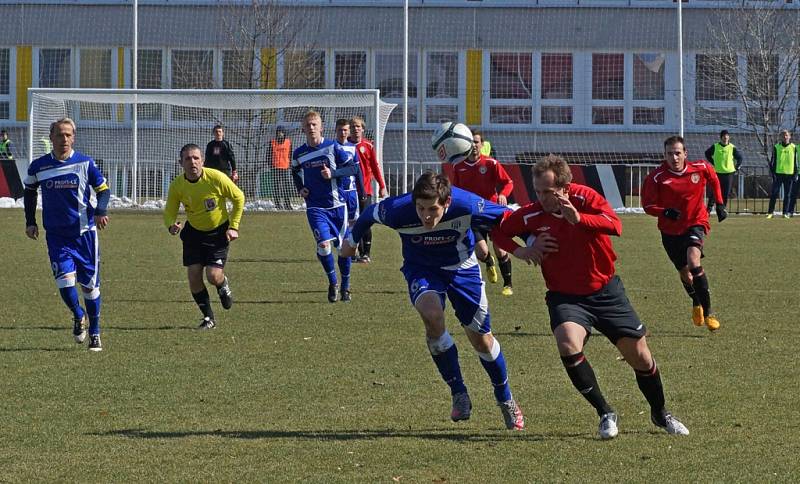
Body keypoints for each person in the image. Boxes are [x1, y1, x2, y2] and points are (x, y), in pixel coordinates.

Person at [493, 154, 688, 439]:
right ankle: (605, 412)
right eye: (538, 191)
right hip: (565, 297)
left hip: (606, 292)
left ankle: (661, 414)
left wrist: (579, 219)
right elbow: (498, 231)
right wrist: (522, 250)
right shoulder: (532, 214)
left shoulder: (586, 198)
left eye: (548, 192)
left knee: (642, 359)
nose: (542, 198)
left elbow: (615, 226)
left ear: (565, 188)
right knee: (567, 343)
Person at [341, 172, 525, 431]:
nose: (426, 216)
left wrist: (531, 243)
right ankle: (458, 391)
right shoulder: (397, 210)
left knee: (482, 341)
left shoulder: (467, 204)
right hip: (422, 270)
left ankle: (505, 398)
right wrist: (351, 241)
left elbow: (506, 217)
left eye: (433, 209)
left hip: (462, 268)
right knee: (432, 316)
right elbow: (370, 213)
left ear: (447, 203)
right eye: (421, 208)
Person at [23, 117, 111, 352]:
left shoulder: (85, 163)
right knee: (64, 282)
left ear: (74, 137)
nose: (64, 139)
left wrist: (101, 211)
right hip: (57, 236)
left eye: (68, 135)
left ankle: (95, 331)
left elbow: (103, 190)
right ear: (51, 138)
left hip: (84, 235)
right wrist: (30, 222)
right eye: (60, 135)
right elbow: (30, 192)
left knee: (90, 288)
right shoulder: (39, 166)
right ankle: (77, 313)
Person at [642, 136, 726, 332]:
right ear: (665, 155)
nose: (674, 157)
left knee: (694, 261)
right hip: (670, 230)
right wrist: (664, 211)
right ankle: (696, 301)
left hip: (695, 222)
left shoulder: (700, 167)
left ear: (685, 154)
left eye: (678, 153)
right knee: (684, 273)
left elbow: (714, 178)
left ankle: (709, 312)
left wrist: (720, 203)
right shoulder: (656, 177)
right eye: (670, 154)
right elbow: (647, 205)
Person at [164, 143, 245, 330]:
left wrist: (234, 226)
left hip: (218, 232)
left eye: (196, 158)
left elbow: (239, 197)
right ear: (181, 163)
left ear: (203, 161)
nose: (192, 162)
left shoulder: (216, 178)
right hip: (193, 234)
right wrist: (170, 224)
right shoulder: (177, 186)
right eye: (187, 159)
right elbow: (169, 211)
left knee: (213, 276)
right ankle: (208, 318)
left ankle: (223, 284)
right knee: (193, 277)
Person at [291, 110, 361, 303]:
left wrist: (334, 174)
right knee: (323, 244)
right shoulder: (299, 153)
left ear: (321, 127)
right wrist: (301, 187)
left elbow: (354, 169)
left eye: (315, 124)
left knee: (344, 250)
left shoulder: (333, 146)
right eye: (308, 125)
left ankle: (346, 286)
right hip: (315, 207)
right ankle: (333, 283)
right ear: (303, 128)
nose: (311, 128)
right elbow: (295, 171)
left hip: (338, 205)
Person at [451, 128, 515, 296]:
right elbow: (455, 191)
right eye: (470, 142)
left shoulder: (491, 164)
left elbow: (508, 182)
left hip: (492, 213)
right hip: (474, 215)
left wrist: (503, 194)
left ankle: (508, 285)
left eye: (476, 142)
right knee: (482, 252)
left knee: (501, 249)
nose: (473, 145)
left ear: (482, 144)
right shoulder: (459, 167)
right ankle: (488, 262)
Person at [348, 115, 388, 263]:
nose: (355, 129)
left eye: (358, 126)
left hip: (366, 190)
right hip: (349, 191)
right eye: (353, 127)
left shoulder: (368, 146)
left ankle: (366, 253)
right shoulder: (345, 146)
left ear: (363, 129)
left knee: (365, 221)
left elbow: (375, 167)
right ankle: (353, 251)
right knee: (351, 222)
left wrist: (382, 186)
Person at [334, 118, 365, 228]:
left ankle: (353, 245)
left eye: (345, 130)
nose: (343, 133)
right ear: (336, 131)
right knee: (341, 223)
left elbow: (357, 170)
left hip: (352, 191)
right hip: (338, 190)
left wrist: (362, 190)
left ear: (348, 131)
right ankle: (342, 244)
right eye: (340, 130)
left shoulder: (352, 147)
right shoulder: (331, 147)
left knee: (354, 222)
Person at [704, 130, 742, 212]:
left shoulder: (732, 147)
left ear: (729, 138)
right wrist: (713, 162)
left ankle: (722, 209)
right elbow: (707, 153)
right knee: (714, 191)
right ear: (721, 137)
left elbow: (740, 158)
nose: (725, 138)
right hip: (717, 172)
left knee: (725, 192)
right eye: (724, 137)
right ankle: (709, 208)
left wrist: (736, 167)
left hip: (729, 173)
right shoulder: (715, 146)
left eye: (727, 137)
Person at [766, 129, 798, 218]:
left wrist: (795, 173)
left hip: (790, 174)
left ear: (789, 136)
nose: (785, 137)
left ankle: (785, 213)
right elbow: (772, 161)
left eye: (786, 135)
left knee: (787, 195)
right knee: (774, 193)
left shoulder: (793, 147)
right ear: (780, 137)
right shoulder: (776, 147)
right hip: (778, 174)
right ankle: (770, 213)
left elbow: (796, 162)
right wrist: (773, 173)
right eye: (783, 135)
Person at [269, 125, 293, 210]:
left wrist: (290, 165)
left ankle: (287, 204)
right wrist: (270, 165)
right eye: (279, 132)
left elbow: (290, 154)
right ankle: (277, 204)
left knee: (286, 186)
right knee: (276, 187)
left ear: (284, 133)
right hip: (275, 167)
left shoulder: (288, 142)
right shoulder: (272, 142)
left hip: (285, 167)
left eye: (282, 132)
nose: (280, 134)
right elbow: (268, 155)